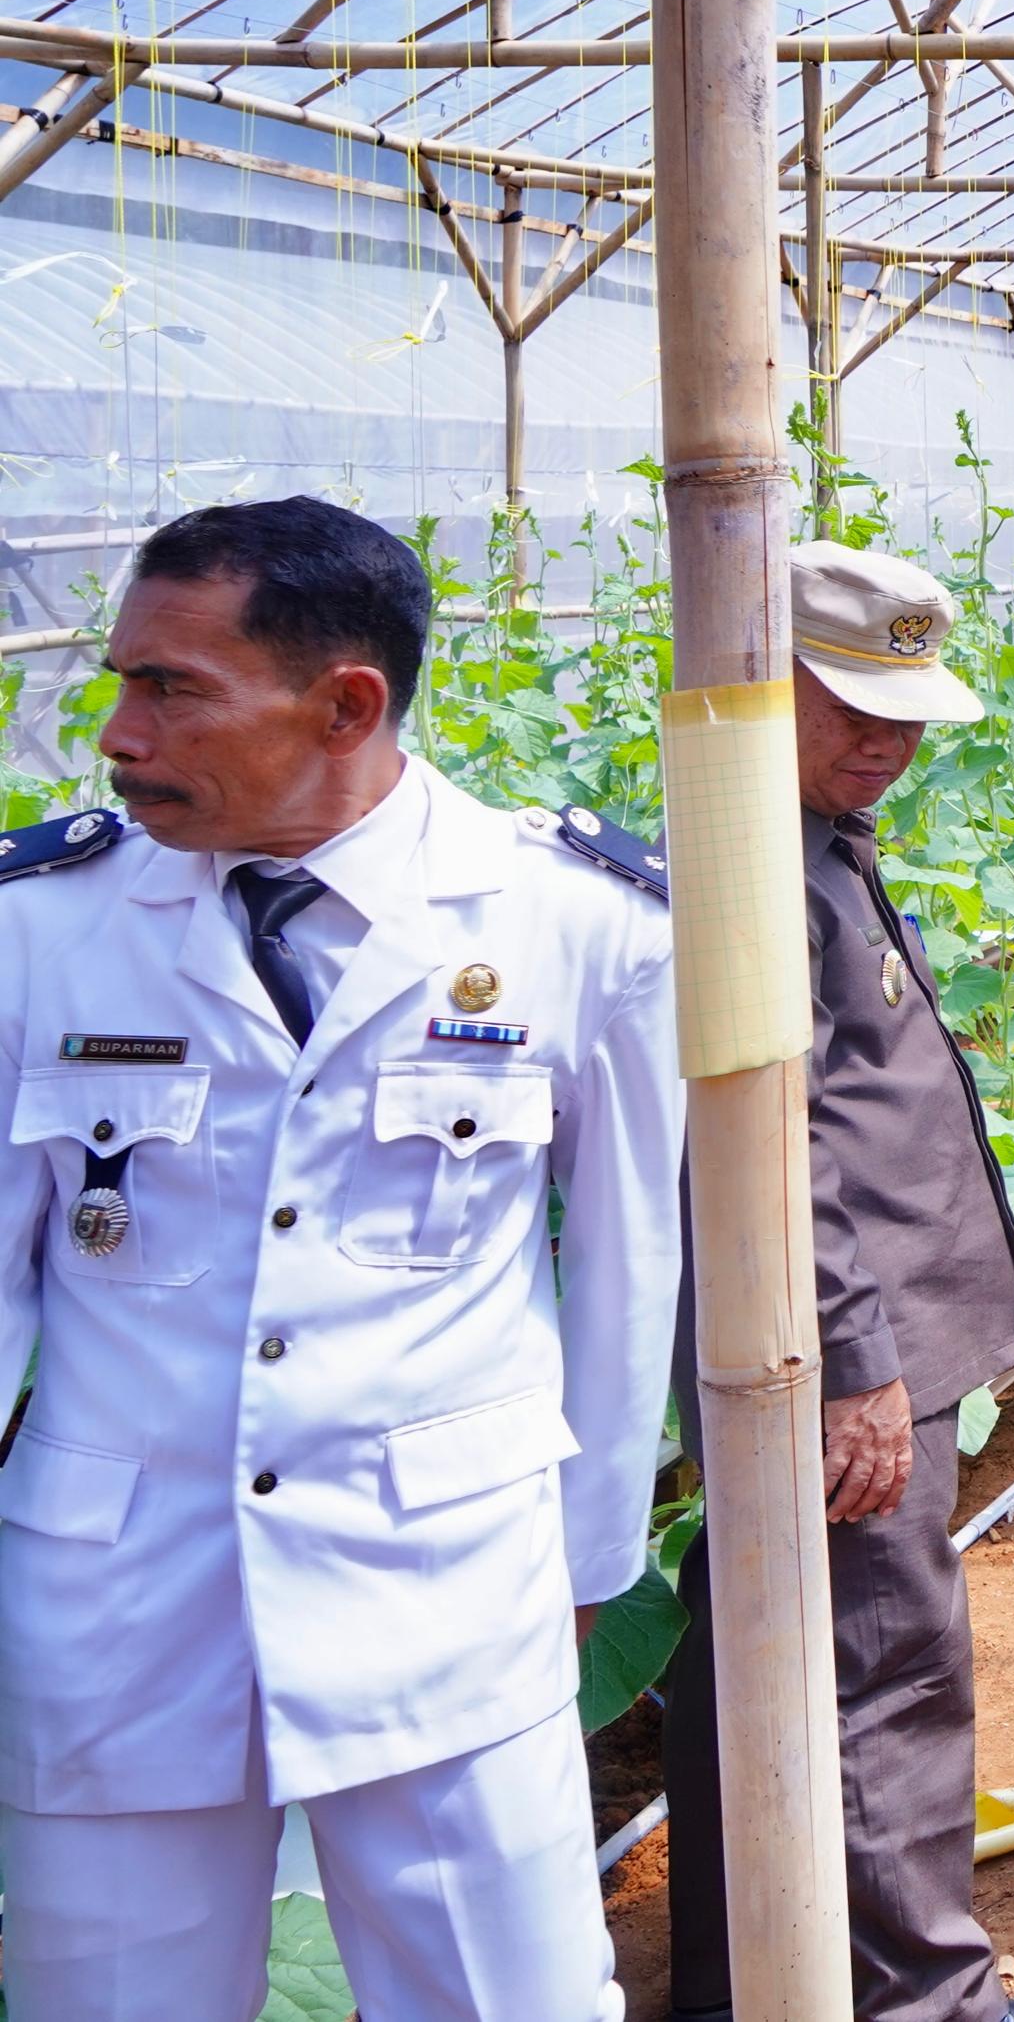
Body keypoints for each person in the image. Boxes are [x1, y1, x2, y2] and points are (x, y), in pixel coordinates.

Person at [0, 498, 678, 2021]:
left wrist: (584, 1564)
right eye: (118, 681)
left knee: (506, 2001)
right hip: (116, 1600)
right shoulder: (40, 929)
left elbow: (633, 1282)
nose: (116, 732)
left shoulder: (577, 925)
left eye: (170, 688)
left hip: (443, 1592)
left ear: (346, 702)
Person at [667, 545, 1014, 2022]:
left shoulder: (802, 839)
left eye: (908, 714)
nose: (890, 743)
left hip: (870, 1343)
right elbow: (770, 1148)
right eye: (853, 708)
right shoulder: (751, 867)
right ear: (757, 677)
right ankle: (934, 2004)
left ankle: (753, 1984)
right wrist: (857, 1358)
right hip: (845, 1355)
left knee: (784, 1668)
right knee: (885, 1682)